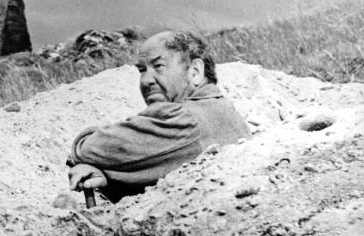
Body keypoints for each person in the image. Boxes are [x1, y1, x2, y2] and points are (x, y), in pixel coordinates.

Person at [68, 31, 249, 203]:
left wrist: (90, 156)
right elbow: (167, 173)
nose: (146, 80)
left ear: (195, 71)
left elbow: (88, 148)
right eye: (142, 70)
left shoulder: (181, 118)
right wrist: (109, 178)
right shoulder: (224, 109)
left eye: (159, 66)